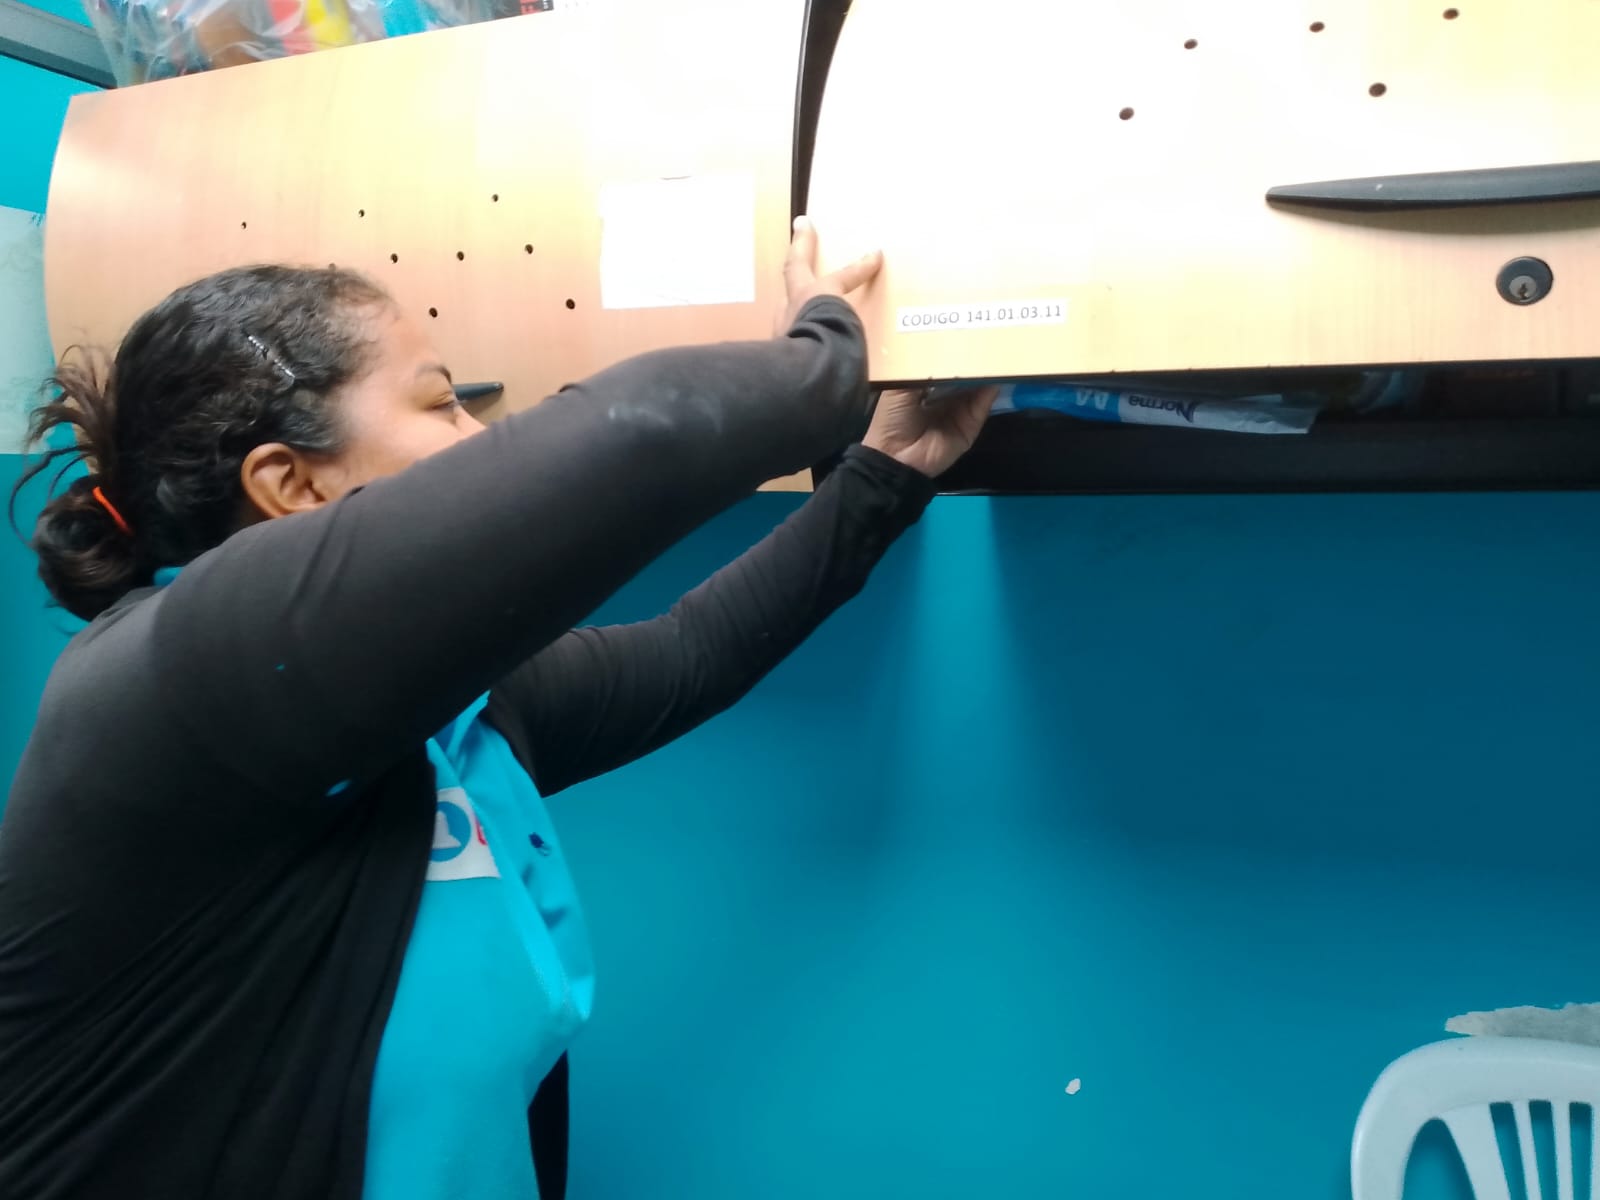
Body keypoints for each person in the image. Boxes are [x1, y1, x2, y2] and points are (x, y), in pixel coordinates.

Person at [0, 219, 994, 1200]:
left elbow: (690, 654)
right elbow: (651, 430)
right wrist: (830, 352)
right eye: (443, 406)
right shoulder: (182, 679)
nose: (481, 439)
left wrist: (886, 472)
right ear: (292, 483)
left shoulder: (441, 719)